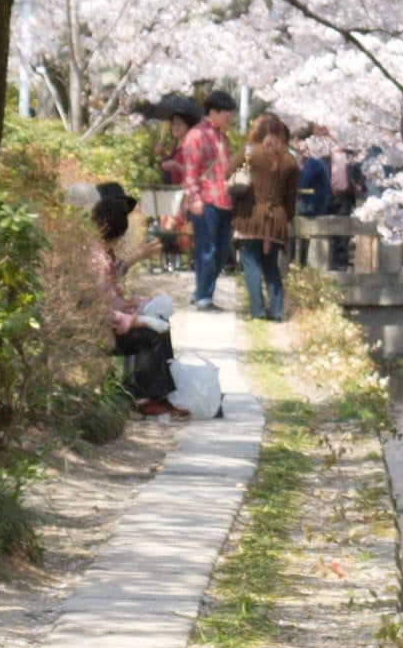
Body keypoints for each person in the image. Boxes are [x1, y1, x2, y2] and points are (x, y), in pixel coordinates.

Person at [91, 187, 184, 418]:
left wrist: (124, 305)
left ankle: (158, 396)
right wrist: (134, 320)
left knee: (158, 324)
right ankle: (146, 397)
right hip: (101, 330)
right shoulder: (96, 258)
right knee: (153, 333)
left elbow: (109, 290)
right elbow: (99, 310)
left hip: (109, 320)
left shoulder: (100, 253)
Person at [236, 112, 301, 323]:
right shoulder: (290, 161)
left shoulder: (248, 153)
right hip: (276, 220)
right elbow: (291, 200)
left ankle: (257, 309)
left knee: (251, 263)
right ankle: (277, 309)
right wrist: (287, 218)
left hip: (249, 217)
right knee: (271, 265)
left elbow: (228, 174)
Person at [178, 90, 236, 311]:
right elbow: (190, 171)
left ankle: (202, 291)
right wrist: (194, 198)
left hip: (224, 199)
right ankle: (204, 297)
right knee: (207, 249)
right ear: (213, 112)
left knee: (221, 250)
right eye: (226, 112)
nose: (229, 117)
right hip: (206, 200)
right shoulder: (197, 135)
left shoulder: (223, 136)